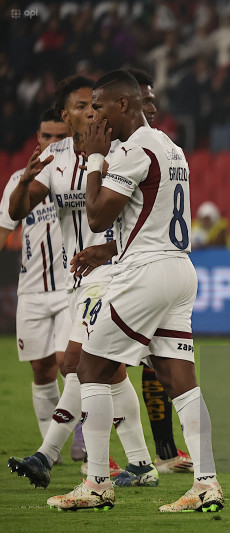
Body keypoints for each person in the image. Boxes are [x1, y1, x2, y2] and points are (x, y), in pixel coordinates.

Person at [48, 70, 222, 512]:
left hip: (145, 275)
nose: (93, 115)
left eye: (100, 107)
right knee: (179, 380)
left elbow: (96, 215)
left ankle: (97, 483)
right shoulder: (170, 147)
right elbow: (151, 216)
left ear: (123, 106)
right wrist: (107, 251)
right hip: (179, 269)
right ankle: (206, 482)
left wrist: (93, 160)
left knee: (90, 367)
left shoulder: (130, 151)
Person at [7, 76, 156, 490]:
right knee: (111, 373)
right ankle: (142, 464)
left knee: (74, 362)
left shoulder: (118, 153)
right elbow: (19, 211)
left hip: (112, 274)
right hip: (78, 279)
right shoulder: (53, 160)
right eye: (80, 106)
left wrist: (108, 251)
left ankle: (47, 455)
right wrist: (23, 181)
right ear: (65, 115)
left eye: (94, 105)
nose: (90, 112)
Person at [125, 67, 194, 474]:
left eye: (153, 99)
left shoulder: (142, 149)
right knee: (92, 365)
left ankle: (148, 458)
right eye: (145, 99)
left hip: (143, 269)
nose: (152, 107)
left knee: (98, 365)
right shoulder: (159, 147)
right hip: (156, 269)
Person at [0, 108, 70, 448]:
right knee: (42, 371)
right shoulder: (18, 181)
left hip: (72, 287)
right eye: (47, 136)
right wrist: (27, 180)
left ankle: (82, 444)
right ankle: (50, 451)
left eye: (60, 136)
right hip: (31, 291)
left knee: (68, 364)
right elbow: (4, 230)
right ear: (38, 139)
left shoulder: (78, 173)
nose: (53, 143)